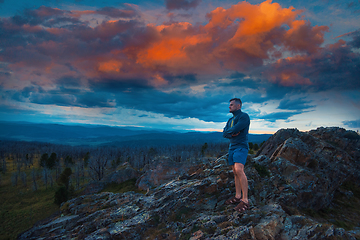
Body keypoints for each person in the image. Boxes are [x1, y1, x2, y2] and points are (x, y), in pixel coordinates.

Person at [223, 98, 250, 212]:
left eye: (232, 105)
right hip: (232, 147)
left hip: (241, 146)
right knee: (234, 171)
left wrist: (231, 131)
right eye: (229, 105)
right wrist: (231, 133)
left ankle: (245, 200)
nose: (229, 106)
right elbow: (224, 133)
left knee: (239, 169)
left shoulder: (244, 117)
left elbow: (236, 128)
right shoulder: (230, 120)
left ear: (239, 106)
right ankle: (238, 196)